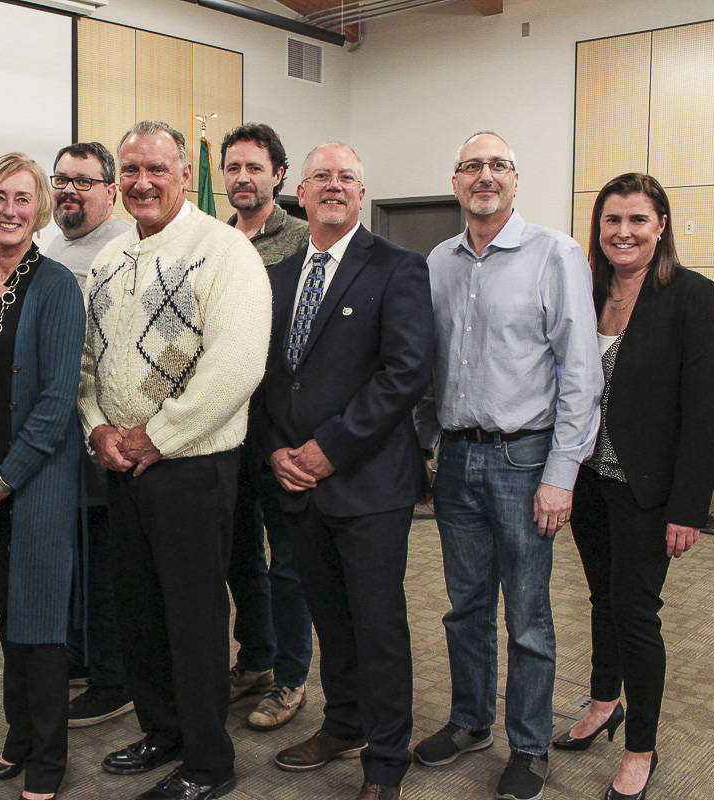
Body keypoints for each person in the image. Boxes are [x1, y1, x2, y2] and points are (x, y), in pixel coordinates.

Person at [79, 120, 271, 800]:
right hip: (125, 466)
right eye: (130, 170)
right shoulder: (108, 260)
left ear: (185, 175)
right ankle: (163, 728)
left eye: (156, 169)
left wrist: (160, 434)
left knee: (192, 618)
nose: (142, 182)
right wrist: (99, 428)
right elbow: (89, 367)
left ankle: (208, 762)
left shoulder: (223, 251)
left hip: (192, 466)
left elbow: (238, 364)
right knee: (139, 609)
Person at [412, 130, 603, 800]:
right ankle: (470, 723)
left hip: (526, 461)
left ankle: (527, 746)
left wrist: (561, 474)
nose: (484, 175)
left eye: (497, 165)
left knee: (526, 615)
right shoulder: (438, 261)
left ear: (516, 180)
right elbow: (423, 367)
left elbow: (580, 375)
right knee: (464, 607)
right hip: (458, 455)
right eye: (471, 165)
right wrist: (429, 444)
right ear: (456, 181)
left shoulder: (556, 254)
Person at [253, 142, 433, 800]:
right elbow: (267, 378)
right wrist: (275, 449)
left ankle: (386, 762)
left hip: (369, 485)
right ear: (299, 193)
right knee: (330, 618)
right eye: (321, 176)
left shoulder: (399, 269)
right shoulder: (276, 278)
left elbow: (406, 373)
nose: (334, 186)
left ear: (362, 195)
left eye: (347, 178)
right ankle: (345, 724)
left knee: (377, 626)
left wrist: (331, 447)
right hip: (297, 487)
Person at [555, 173, 714, 800]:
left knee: (635, 613)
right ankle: (604, 701)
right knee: (601, 598)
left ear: (661, 227)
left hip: (647, 490)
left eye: (637, 221)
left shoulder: (691, 296)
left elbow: (704, 413)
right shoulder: (586, 288)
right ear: (597, 230)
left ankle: (640, 750)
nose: (622, 232)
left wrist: (689, 507)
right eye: (611, 221)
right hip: (588, 479)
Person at [0, 153, 86, 800]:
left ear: (41, 209)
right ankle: (19, 738)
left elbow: (57, 402)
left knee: (41, 627)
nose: (9, 209)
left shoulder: (55, 286)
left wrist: (3, 479)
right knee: (11, 621)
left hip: (37, 486)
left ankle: (47, 761)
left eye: (23, 198)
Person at [219, 122, 314, 731]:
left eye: (255, 167)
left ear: (278, 175)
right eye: (234, 168)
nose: (243, 178)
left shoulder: (304, 240)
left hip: (280, 427)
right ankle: (254, 658)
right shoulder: (212, 240)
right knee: (237, 556)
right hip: (221, 427)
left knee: (289, 561)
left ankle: (291, 676)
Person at [45, 141, 134, 728]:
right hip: (63, 430)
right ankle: (82, 657)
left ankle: (113, 678)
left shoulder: (126, 248)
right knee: (74, 557)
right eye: (61, 180)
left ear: (111, 190)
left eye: (83, 181)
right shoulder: (58, 244)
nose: (69, 191)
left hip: (105, 429)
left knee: (105, 563)